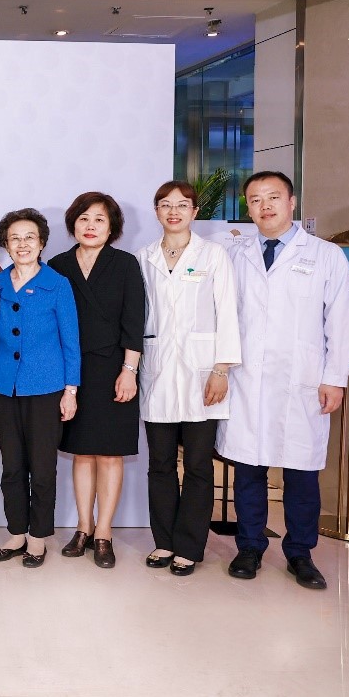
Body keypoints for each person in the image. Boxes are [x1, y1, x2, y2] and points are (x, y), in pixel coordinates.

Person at [217, 171, 349, 590]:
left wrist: (335, 378)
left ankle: (300, 553)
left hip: (303, 381)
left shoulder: (325, 255)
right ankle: (249, 547)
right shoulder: (235, 255)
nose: (265, 206)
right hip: (246, 380)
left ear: (292, 202)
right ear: (248, 208)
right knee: (248, 470)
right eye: (256, 199)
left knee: (301, 474)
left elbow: (342, 322)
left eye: (273, 197)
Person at [138, 181, 241, 576]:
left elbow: (227, 312)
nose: (174, 211)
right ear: (156, 211)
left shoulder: (213, 255)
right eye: (166, 204)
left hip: (204, 374)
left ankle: (190, 546)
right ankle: (164, 541)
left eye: (182, 205)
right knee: (160, 464)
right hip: (158, 371)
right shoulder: (143, 257)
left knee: (198, 464)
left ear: (195, 211)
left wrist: (221, 369)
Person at [48, 192, 145, 569]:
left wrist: (129, 371)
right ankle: (83, 527)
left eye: (99, 220)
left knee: (109, 453)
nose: (90, 226)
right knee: (82, 451)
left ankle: (104, 532)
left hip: (114, 370)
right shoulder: (57, 265)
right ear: (73, 223)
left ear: (112, 227)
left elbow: (134, 322)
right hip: (72, 374)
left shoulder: (125, 264)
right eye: (84, 218)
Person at [0, 208, 80, 568]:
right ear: (5, 245)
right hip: (2, 388)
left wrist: (71, 390)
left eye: (29, 237)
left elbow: (71, 341)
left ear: (41, 243)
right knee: (11, 466)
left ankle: (38, 537)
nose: (22, 244)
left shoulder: (58, 284)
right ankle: (16, 533)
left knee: (41, 468)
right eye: (14, 238)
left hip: (46, 388)